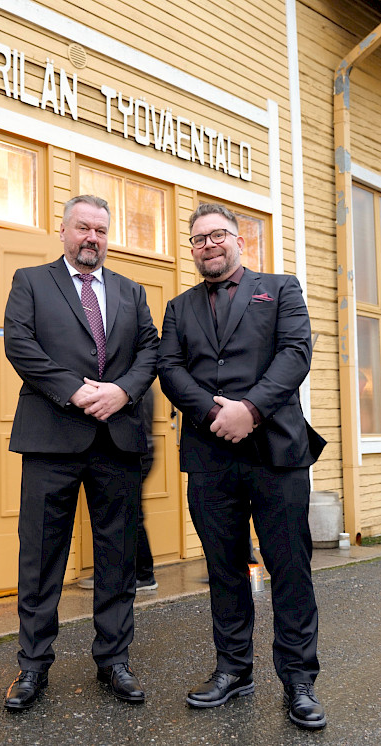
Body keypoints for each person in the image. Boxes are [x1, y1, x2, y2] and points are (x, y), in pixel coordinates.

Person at [157, 203, 327, 730]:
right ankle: (234, 670)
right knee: (224, 568)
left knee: (290, 568)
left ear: (238, 240)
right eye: (198, 239)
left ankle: (298, 680)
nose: (208, 245)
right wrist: (215, 414)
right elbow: (169, 368)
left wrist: (250, 410)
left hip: (276, 454)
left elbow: (295, 353)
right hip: (210, 455)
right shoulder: (178, 307)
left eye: (217, 235)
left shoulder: (280, 289)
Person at [3, 195, 159, 711]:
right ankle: (32, 666)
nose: (93, 238)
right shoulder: (31, 281)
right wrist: (74, 390)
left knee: (117, 557)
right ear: (63, 231)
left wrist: (122, 391)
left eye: (101, 230)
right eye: (83, 228)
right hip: (51, 437)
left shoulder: (131, 291)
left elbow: (150, 351)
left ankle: (114, 660)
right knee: (41, 557)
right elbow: (20, 345)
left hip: (117, 440)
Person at [78, 385, 158, 592]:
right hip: (142, 450)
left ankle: (143, 574)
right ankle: (139, 573)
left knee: (131, 514)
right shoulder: (142, 386)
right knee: (132, 513)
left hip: (137, 452)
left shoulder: (138, 386)